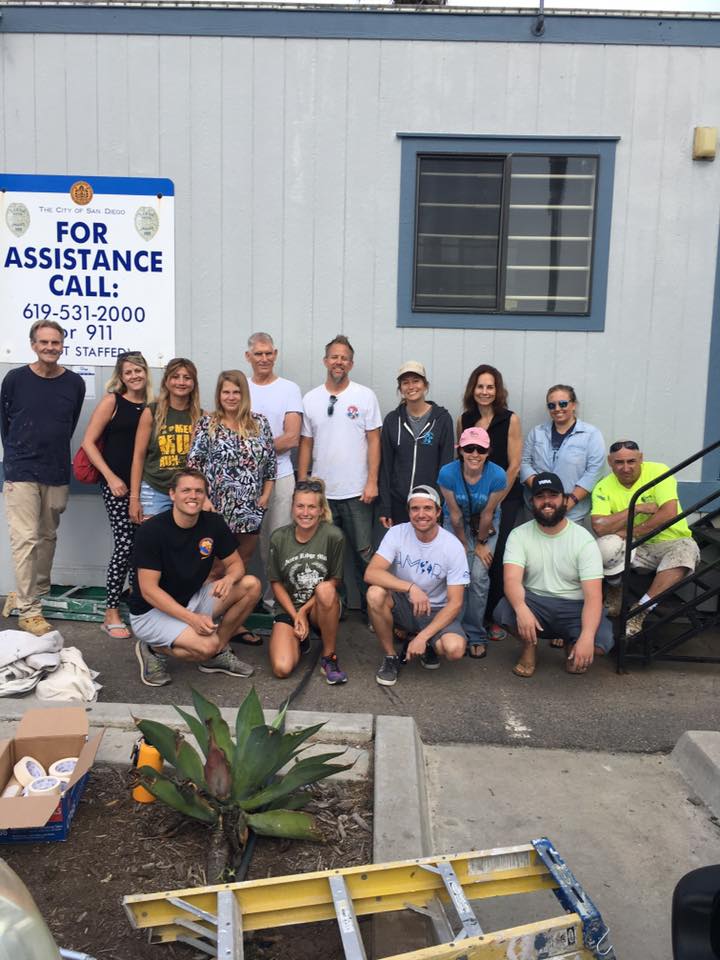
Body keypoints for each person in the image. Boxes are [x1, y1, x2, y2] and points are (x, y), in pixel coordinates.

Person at [129, 469, 261, 687]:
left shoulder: (213, 523)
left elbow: (236, 565)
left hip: (190, 600)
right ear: (172, 494)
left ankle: (216, 655)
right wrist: (192, 620)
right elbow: (149, 591)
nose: (193, 496)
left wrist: (228, 579)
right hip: (151, 612)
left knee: (250, 585)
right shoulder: (151, 530)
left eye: (199, 491)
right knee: (205, 646)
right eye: (186, 490)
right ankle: (152, 647)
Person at [1, 321, 85, 636]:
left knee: (47, 537)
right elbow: (6, 423)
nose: (50, 347)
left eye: (56, 342)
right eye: (44, 342)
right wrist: (14, 459)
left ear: (62, 345)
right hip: (21, 469)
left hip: (56, 469)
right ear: (33, 345)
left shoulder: (74, 383)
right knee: (25, 539)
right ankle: (29, 610)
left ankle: (30, 593)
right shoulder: (15, 380)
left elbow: (69, 423)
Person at [493, 472, 614, 678]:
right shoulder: (519, 535)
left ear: (565, 500)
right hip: (536, 603)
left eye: (553, 495)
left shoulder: (583, 540)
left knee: (601, 642)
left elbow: (594, 596)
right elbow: (511, 580)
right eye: (540, 496)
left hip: (575, 606)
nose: (547, 502)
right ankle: (529, 646)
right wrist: (522, 610)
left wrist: (586, 637)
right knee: (504, 610)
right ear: (532, 502)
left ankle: (572, 642)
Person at [297, 335, 382, 613]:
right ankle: (335, 607)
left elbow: (374, 440)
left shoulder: (365, 396)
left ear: (351, 363)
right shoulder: (311, 398)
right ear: (325, 361)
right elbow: (306, 443)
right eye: (334, 357)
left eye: (344, 358)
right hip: (323, 494)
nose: (339, 362)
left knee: (363, 554)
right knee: (327, 557)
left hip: (358, 492)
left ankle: (373, 609)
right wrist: (302, 483)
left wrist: (371, 481)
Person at [591, 440, 700, 637]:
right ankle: (616, 587)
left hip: (671, 541)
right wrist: (637, 508)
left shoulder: (658, 471)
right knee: (604, 546)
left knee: (686, 552)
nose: (626, 468)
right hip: (634, 547)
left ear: (641, 458)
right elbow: (599, 526)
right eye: (619, 462)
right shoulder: (603, 486)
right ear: (610, 462)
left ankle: (640, 610)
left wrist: (626, 530)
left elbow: (668, 513)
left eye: (631, 461)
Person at [365, 485, 470, 686]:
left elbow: (455, 603)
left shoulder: (452, 546)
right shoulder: (397, 533)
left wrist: (422, 637)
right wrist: (410, 588)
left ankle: (428, 643)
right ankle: (390, 656)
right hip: (405, 604)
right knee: (375, 594)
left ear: (438, 512)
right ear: (409, 511)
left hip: (436, 610)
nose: (421, 514)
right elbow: (371, 572)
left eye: (428, 508)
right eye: (415, 509)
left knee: (454, 649)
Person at [80, 351, 152, 639]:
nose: (134, 376)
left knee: (141, 547)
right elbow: (88, 442)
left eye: (138, 370)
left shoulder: (150, 406)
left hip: (142, 486)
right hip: (117, 486)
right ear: (121, 377)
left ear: (146, 372)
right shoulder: (113, 401)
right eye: (128, 372)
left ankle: (136, 603)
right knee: (124, 545)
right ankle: (110, 611)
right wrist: (110, 478)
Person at [458, 364, 523, 640]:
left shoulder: (510, 420)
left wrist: (493, 502)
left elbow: (515, 465)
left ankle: (494, 618)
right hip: (472, 496)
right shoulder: (465, 418)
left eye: (490, 387)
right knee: (473, 555)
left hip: (503, 498)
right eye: (480, 386)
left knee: (494, 558)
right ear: (473, 390)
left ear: (498, 391)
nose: (484, 392)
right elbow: (460, 459)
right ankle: (469, 617)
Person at [187, 369, 276, 569]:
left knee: (241, 562)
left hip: (250, 508)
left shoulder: (259, 423)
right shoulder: (207, 424)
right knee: (215, 564)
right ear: (219, 395)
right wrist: (204, 500)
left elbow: (271, 464)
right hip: (216, 507)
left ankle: (236, 600)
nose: (231, 397)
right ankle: (210, 601)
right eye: (226, 392)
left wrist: (266, 496)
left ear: (244, 394)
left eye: (236, 392)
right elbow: (193, 465)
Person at [267, 478, 347, 684]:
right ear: (292, 508)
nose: (305, 512)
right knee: (281, 668)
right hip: (289, 608)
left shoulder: (334, 536)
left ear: (321, 510)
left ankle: (329, 657)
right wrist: (295, 615)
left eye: (312, 507)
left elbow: (335, 580)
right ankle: (301, 642)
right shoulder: (278, 537)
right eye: (300, 506)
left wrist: (303, 612)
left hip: (319, 608)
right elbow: (276, 583)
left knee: (325, 589)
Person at [438, 427, 507, 658]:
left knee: (478, 575)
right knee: (460, 573)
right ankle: (454, 628)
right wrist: (463, 545)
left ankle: (476, 632)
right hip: (456, 522)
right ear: (460, 450)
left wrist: (479, 544)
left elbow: (488, 513)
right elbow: (455, 515)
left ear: (488, 452)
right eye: (469, 448)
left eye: (481, 449)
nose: (475, 453)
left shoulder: (497, 475)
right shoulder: (447, 473)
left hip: (486, 524)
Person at [245, 332, 303, 607]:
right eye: (258, 354)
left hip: (280, 476)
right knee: (242, 541)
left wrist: (251, 452)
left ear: (275, 354)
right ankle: (240, 597)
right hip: (243, 480)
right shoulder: (240, 387)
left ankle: (275, 601)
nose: (264, 359)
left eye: (269, 353)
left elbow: (292, 437)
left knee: (278, 540)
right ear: (248, 357)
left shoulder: (289, 388)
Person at [378, 361, 454, 527]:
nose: (411, 386)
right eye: (405, 382)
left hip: (429, 505)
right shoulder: (392, 420)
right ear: (400, 389)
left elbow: (446, 467)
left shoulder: (442, 420)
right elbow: (385, 467)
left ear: (425, 385)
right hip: (399, 504)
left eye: (416, 381)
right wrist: (385, 506)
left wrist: (438, 502)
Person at [129, 357, 202, 523]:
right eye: (175, 377)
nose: (181, 382)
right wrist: (134, 498)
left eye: (187, 377)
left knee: (185, 543)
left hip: (188, 491)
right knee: (154, 543)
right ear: (167, 382)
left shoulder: (201, 417)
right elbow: (138, 457)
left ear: (194, 383)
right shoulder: (151, 412)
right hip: (154, 488)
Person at [520, 384, 605, 525]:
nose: (557, 409)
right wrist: (540, 490)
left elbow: (594, 471)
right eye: (552, 405)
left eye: (563, 404)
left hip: (573, 512)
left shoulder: (591, 434)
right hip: (536, 509)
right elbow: (524, 462)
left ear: (574, 405)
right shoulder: (537, 432)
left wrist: (568, 503)